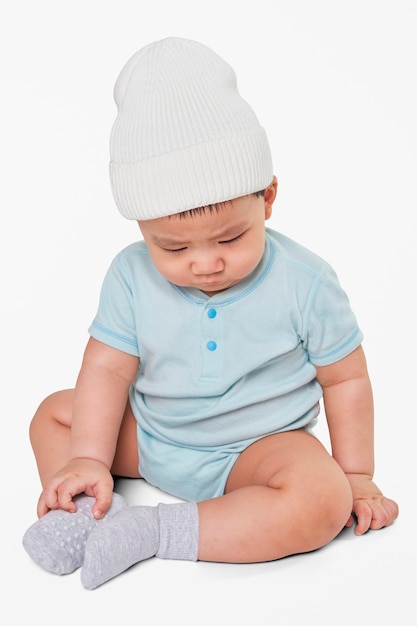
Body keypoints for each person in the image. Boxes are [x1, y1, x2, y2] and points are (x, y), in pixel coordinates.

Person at [22, 37, 398, 590]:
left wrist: (357, 475)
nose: (204, 263)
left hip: (258, 450)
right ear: (142, 228)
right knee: (54, 414)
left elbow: (345, 379)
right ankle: (86, 508)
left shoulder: (306, 281)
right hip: (154, 439)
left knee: (322, 499)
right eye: (173, 248)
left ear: (267, 197)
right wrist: (87, 458)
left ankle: (152, 531)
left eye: (230, 237)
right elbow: (106, 371)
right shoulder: (129, 275)